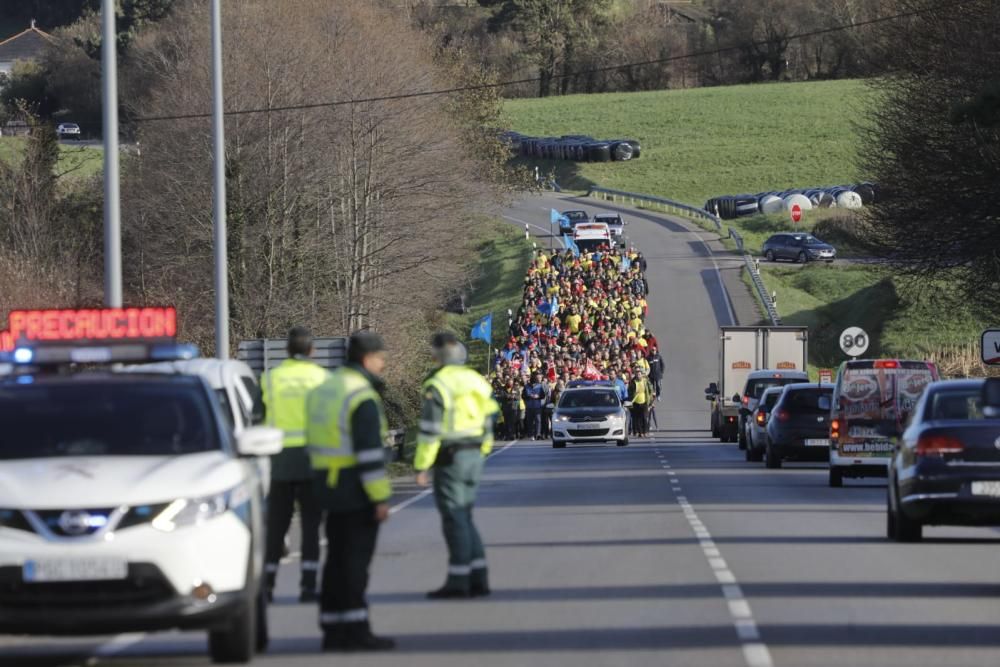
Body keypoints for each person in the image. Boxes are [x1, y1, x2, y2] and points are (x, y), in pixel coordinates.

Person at [306, 331, 394, 652]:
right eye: (381, 359)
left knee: (336, 561)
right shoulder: (361, 396)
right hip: (355, 488)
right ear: (367, 359)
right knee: (355, 564)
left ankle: (332, 628)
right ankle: (356, 629)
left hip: (325, 484)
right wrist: (380, 498)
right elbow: (369, 456)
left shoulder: (325, 387)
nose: (382, 365)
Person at [415, 332, 501, 599]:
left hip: (450, 456)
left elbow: (430, 429)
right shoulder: (477, 381)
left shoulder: (438, 384)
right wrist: (483, 449)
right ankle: (479, 576)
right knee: (464, 515)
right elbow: (490, 418)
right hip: (474, 454)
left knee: (454, 519)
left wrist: (421, 466)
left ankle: (458, 580)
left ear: (438, 355)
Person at [261, 327, 329, 603]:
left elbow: (256, 417)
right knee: (312, 527)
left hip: (279, 463)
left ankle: (266, 584)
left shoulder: (270, 379)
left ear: (287, 350)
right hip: (314, 461)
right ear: (312, 351)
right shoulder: (322, 379)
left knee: (277, 527)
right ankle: (309, 586)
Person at [628, 367, 653, 438]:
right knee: (637, 418)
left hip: (644, 402)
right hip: (635, 402)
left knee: (645, 418)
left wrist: (651, 401)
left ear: (642, 375)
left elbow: (650, 390)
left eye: (640, 374)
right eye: (637, 374)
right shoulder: (633, 382)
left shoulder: (645, 381)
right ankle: (640, 432)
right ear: (635, 375)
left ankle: (645, 431)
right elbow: (629, 391)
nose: (638, 375)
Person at [522, 372, 545, 440]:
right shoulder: (526, 386)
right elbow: (523, 396)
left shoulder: (540, 386)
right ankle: (531, 435)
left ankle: (538, 434)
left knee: (538, 420)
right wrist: (529, 396)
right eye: (536, 377)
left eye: (539, 378)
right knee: (530, 421)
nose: (538, 379)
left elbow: (543, 395)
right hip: (529, 407)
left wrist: (538, 396)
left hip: (537, 406)